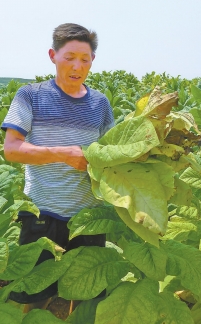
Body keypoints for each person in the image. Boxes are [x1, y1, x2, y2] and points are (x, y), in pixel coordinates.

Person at [1, 23, 114, 313]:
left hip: (87, 218)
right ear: (53, 55)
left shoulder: (100, 104)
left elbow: (110, 154)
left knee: (85, 294)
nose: (77, 66)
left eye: (85, 59)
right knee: (35, 296)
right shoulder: (30, 96)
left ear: (92, 61)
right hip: (42, 214)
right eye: (69, 57)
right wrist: (63, 154)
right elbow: (11, 149)